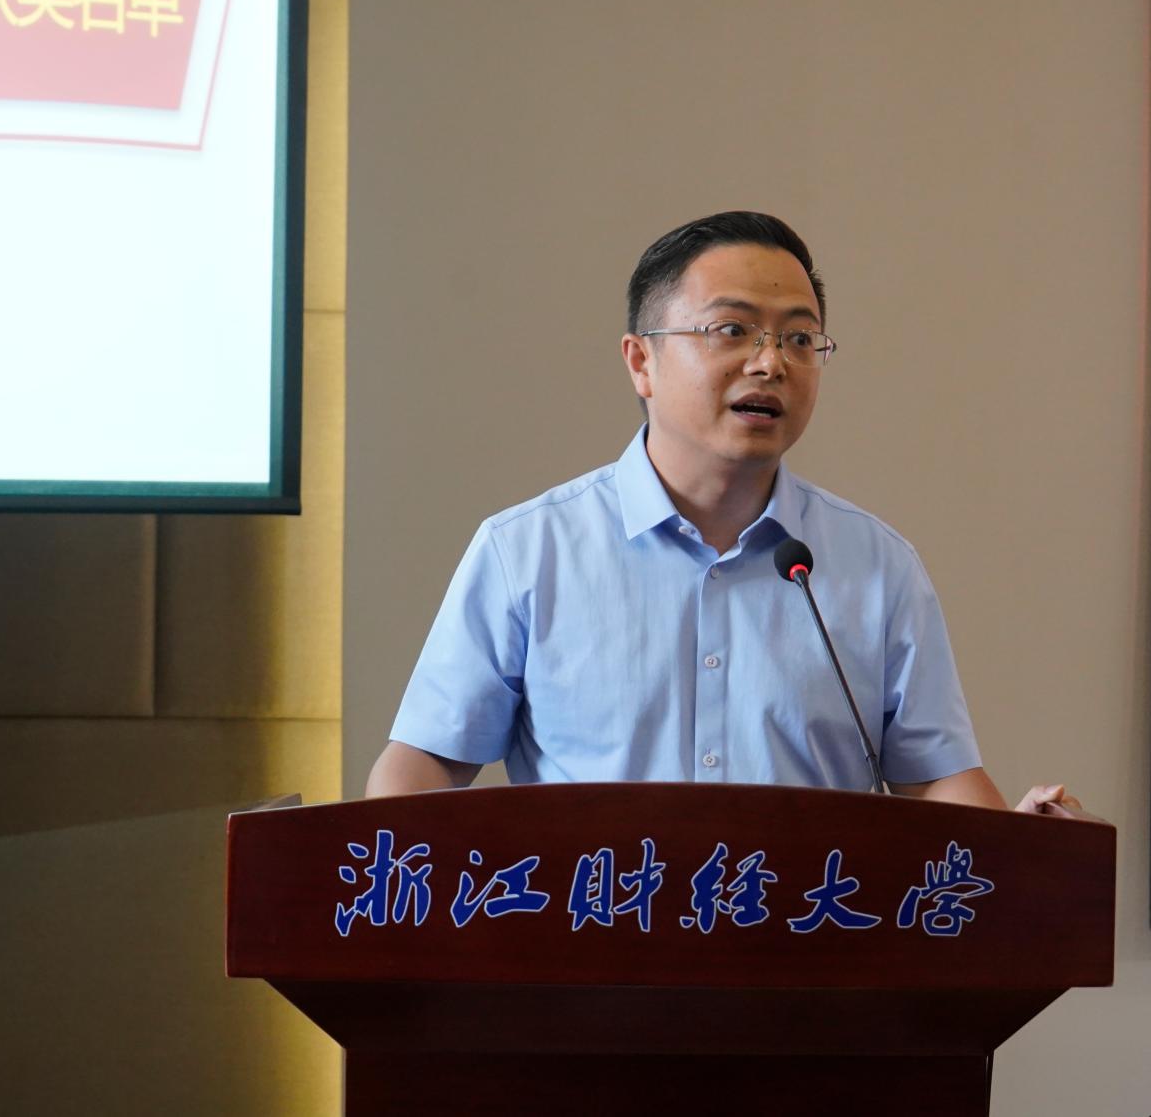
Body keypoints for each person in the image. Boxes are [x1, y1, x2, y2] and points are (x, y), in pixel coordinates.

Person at [366, 211, 1083, 815]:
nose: (771, 364)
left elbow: (936, 779)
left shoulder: (876, 565)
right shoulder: (528, 551)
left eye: (799, 339)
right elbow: (424, 765)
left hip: (807, 938)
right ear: (641, 362)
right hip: (595, 937)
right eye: (731, 330)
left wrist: (1021, 851)